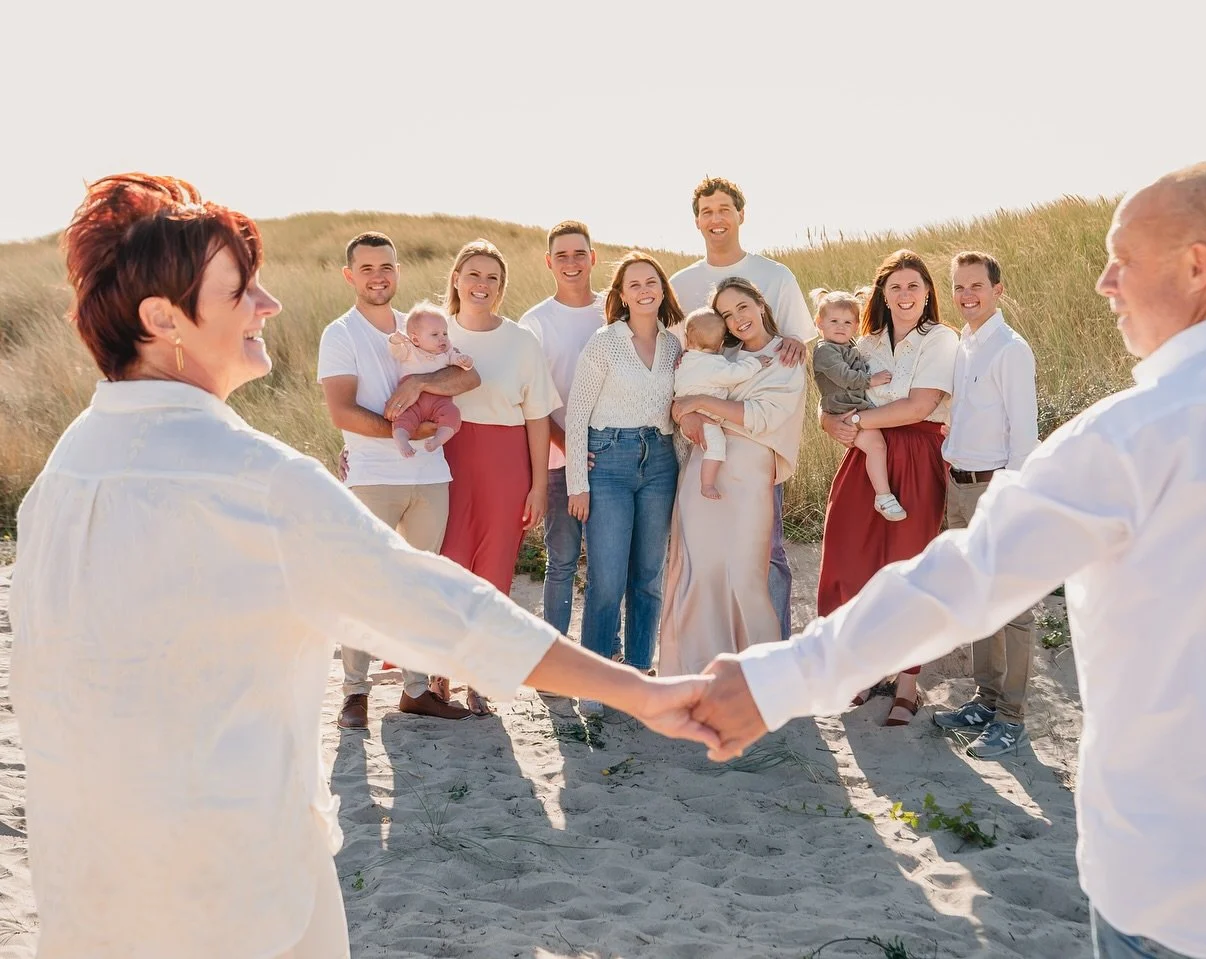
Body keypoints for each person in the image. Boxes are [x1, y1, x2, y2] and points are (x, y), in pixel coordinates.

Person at [692, 163, 1206, 959]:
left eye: (1122, 257)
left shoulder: (1133, 433)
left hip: (1172, 891)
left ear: (1197, 265)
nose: (1104, 282)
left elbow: (962, 580)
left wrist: (775, 679)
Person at [10, 173, 720, 959]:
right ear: (160, 319)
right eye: (241, 288)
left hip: (88, 893)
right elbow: (445, 612)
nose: (269, 304)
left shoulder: (62, 474)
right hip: (237, 897)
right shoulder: (260, 482)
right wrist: (641, 690)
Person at [317, 232, 471, 725]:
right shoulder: (340, 333)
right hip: (371, 477)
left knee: (420, 585)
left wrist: (419, 381)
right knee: (364, 584)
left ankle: (416, 689)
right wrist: (413, 428)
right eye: (366, 269)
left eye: (386, 266)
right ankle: (355, 693)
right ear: (349, 276)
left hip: (430, 478)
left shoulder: (422, 325)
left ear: (397, 271)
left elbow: (468, 377)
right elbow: (342, 412)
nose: (377, 276)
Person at [815, 251, 959, 726]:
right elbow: (834, 395)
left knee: (906, 562)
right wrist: (827, 419)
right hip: (868, 454)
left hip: (917, 455)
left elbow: (920, 406)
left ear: (927, 293)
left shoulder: (941, 339)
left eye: (913, 286)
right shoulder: (866, 341)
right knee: (848, 554)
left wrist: (854, 419)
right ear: (882, 293)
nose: (904, 295)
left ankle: (907, 682)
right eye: (894, 287)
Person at [668, 176, 811, 641]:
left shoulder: (776, 275)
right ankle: (715, 650)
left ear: (741, 214)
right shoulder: (683, 284)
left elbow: (795, 345)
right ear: (696, 221)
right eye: (707, 211)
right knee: (703, 552)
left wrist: (794, 347)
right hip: (702, 443)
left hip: (756, 445)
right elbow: (676, 361)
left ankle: (776, 655)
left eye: (724, 208)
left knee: (764, 552)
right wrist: (684, 412)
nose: (716, 218)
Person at [429, 239, 561, 717]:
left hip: (506, 462)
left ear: (501, 288)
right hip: (444, 459)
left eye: (492, 278)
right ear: (457, 280)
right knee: (449, 563)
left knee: (494, 568)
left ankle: (480, 677)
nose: (481, 285)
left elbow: (537, 418)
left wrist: (540, 484)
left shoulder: (522, 340)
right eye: (474, 275)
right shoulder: (431, 331)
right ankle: (437, 672)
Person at [659, 277, 807, 675]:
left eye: (742, 306)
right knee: (696, 566)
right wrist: (686, 410)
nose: (737, 318)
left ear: (760, 303)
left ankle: (758, 674)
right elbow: (677, 403)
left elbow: (764, 418)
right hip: (702, 469)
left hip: (748, 477)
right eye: (726, 314)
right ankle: (691, 670)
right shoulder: (719, 358)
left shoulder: (787, 356)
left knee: (745, 574)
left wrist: (701, 403)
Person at [563, 252, 685, 716]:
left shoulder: (676, 346)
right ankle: (595, 679)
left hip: (660, 463)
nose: (643, 290)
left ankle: (637, 673)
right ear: (620, 295)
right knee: (607, 578)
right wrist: (579, 482)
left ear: (661, 288)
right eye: (633, 284)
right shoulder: (605, 342)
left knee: (649, 576)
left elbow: (681, 411)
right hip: (608, 462)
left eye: (650, 281)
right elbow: (577, 414)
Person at [930, 251, 1040, 759]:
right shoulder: (964, 345)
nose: (967, 295)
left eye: (976, 285)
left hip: (995, 487)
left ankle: (1012, 719)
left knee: (1013, 607)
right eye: (959, 287)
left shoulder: (1010, 349)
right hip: (958, 485)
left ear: (999, 289)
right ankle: (986, 699)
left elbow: (1024, 434)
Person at [518, 221, 606, 636]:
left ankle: (608, 652)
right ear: (549, 262)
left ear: (593, 258)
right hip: (557, 458)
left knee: (609, 563)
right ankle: (552, 654)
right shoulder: (534, 322)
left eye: (579, 254)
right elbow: (533, 400)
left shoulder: (614, 309)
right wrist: (569, 448)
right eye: (562, 256)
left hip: (610, 456)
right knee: (563, 560)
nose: (571, 263)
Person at [808, 287, 904, 520]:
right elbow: (843, 376)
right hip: (844, 407)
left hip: (855, 404)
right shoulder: (825, 351)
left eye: (848, 322)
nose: (841, 326)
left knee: (878, 447)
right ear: (819, 323)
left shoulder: (849, 345)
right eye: (833, 321)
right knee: (876, 447)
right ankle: (883, 496)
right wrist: (871, 380)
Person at [674, 307, 772, 500]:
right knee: (717, 446)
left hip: (685, 419)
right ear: (720, 344)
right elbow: (737, 373)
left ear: (687, 339)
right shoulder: (716, 366)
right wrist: (757, 363)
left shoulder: (684, 361)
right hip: (705, 420)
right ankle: (707, 484)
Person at [386, 300, 472, 456]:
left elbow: (458, 362)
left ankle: (437, 440)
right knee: (402, 419)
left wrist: (464, 361)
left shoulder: (448, 352)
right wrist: (395, 340)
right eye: (435, 334)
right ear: (416, 339)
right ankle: (402, 442)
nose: (442, 338)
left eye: (445, 333)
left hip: (440, 399)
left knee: (453, 414)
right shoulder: (410, 350)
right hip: (412, 400)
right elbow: (396, 352)